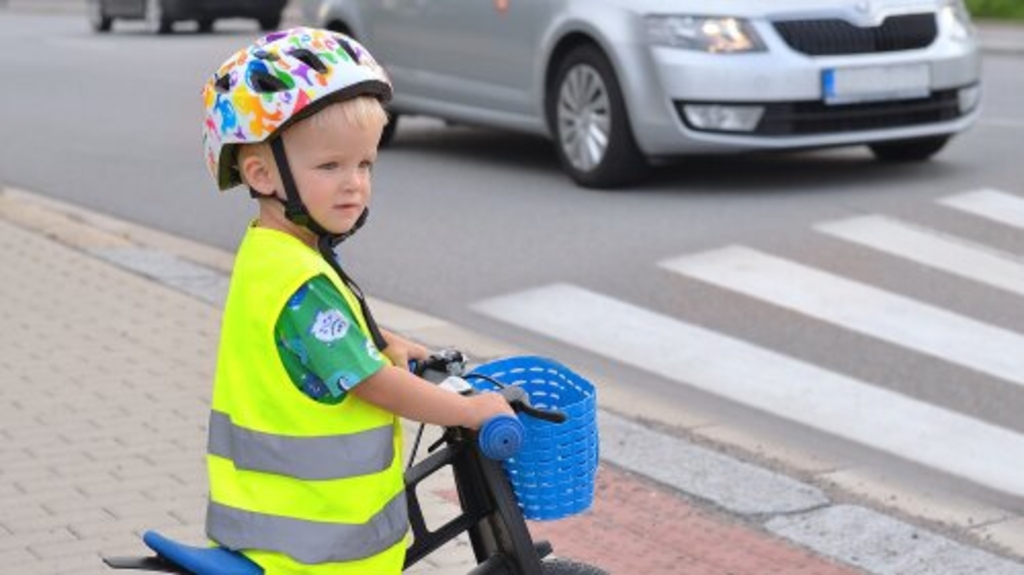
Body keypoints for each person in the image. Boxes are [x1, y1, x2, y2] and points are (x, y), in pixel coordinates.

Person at [200, 27, 514, 575]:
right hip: (317, 548)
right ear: (261, 173)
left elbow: (324, 339)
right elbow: (372, 382)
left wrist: (390, 342)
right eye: (330, 167)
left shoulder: (277, 252)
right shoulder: (299, 282)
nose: (354, 184)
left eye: (364, 164)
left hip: (284, 525)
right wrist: (467, 410)